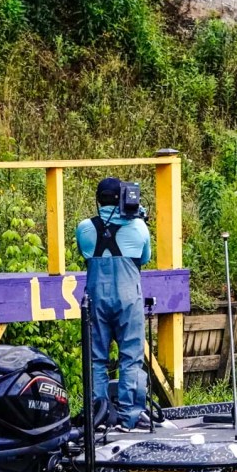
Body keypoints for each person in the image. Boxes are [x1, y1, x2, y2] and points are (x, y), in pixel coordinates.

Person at [76, 177, 152, 431]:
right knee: (130, 359)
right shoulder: (139, 228)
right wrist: (138, 219)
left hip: (96, 299)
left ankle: (99, 417)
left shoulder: (84, 228)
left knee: (97, 359)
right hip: (129, 299)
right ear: (122, 198)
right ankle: (128, 418)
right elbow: (145, 257)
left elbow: (84, 254)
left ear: (97, 200)